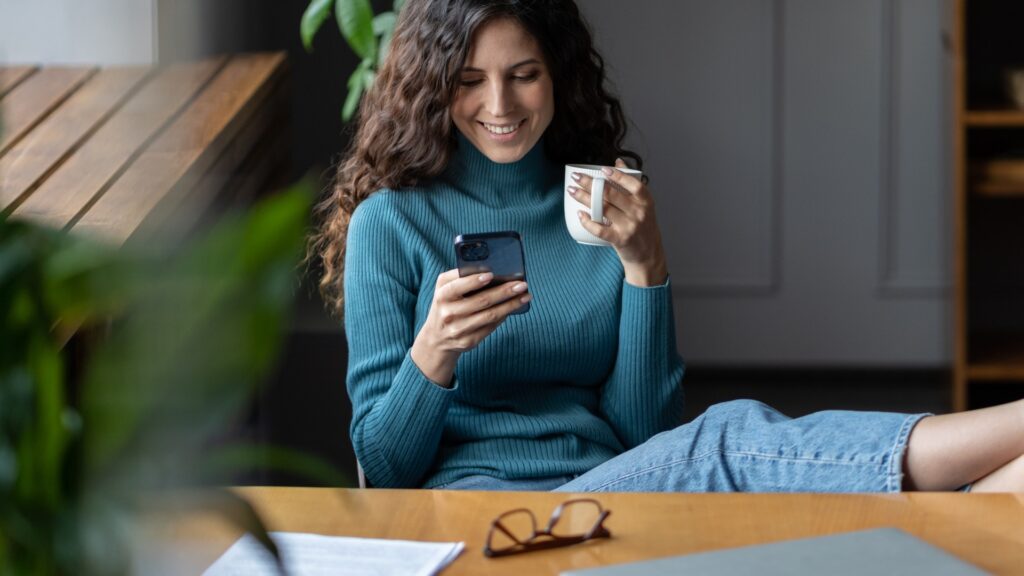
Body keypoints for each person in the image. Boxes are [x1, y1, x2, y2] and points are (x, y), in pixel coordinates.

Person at [309, 0, 1024, 492]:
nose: (500, 107)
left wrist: (646, 267)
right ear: (437, 88)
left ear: (556, 73)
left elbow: (644, 433)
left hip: (613, 492)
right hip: (484, 512)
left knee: (1000, 494)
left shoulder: (600, 203)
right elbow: (387, 472)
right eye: (471, 82)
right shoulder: (391, 224)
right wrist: (433, 353)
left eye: (523, 75)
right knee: (729, 439)